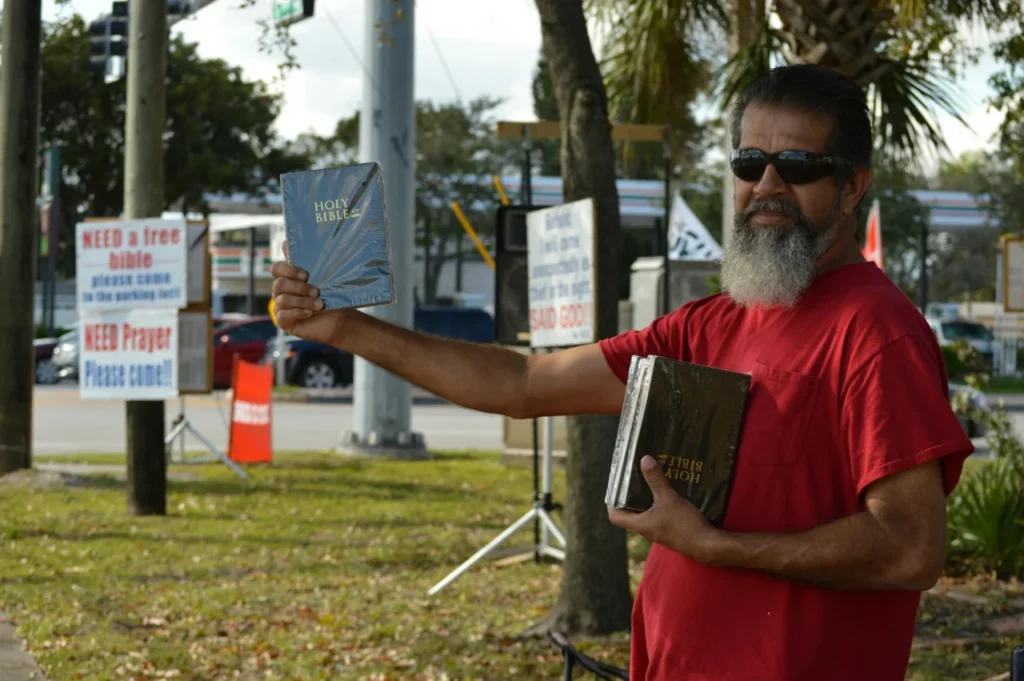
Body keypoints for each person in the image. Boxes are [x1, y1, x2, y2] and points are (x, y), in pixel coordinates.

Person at [270, 64, 974, 681]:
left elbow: (910, 548)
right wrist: (345, 329)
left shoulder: (876, 332)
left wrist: (717, 548)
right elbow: (522, 384)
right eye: (748, 161)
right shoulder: (710, 325)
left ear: (853, 187)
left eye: (797, 163)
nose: (767, 185)